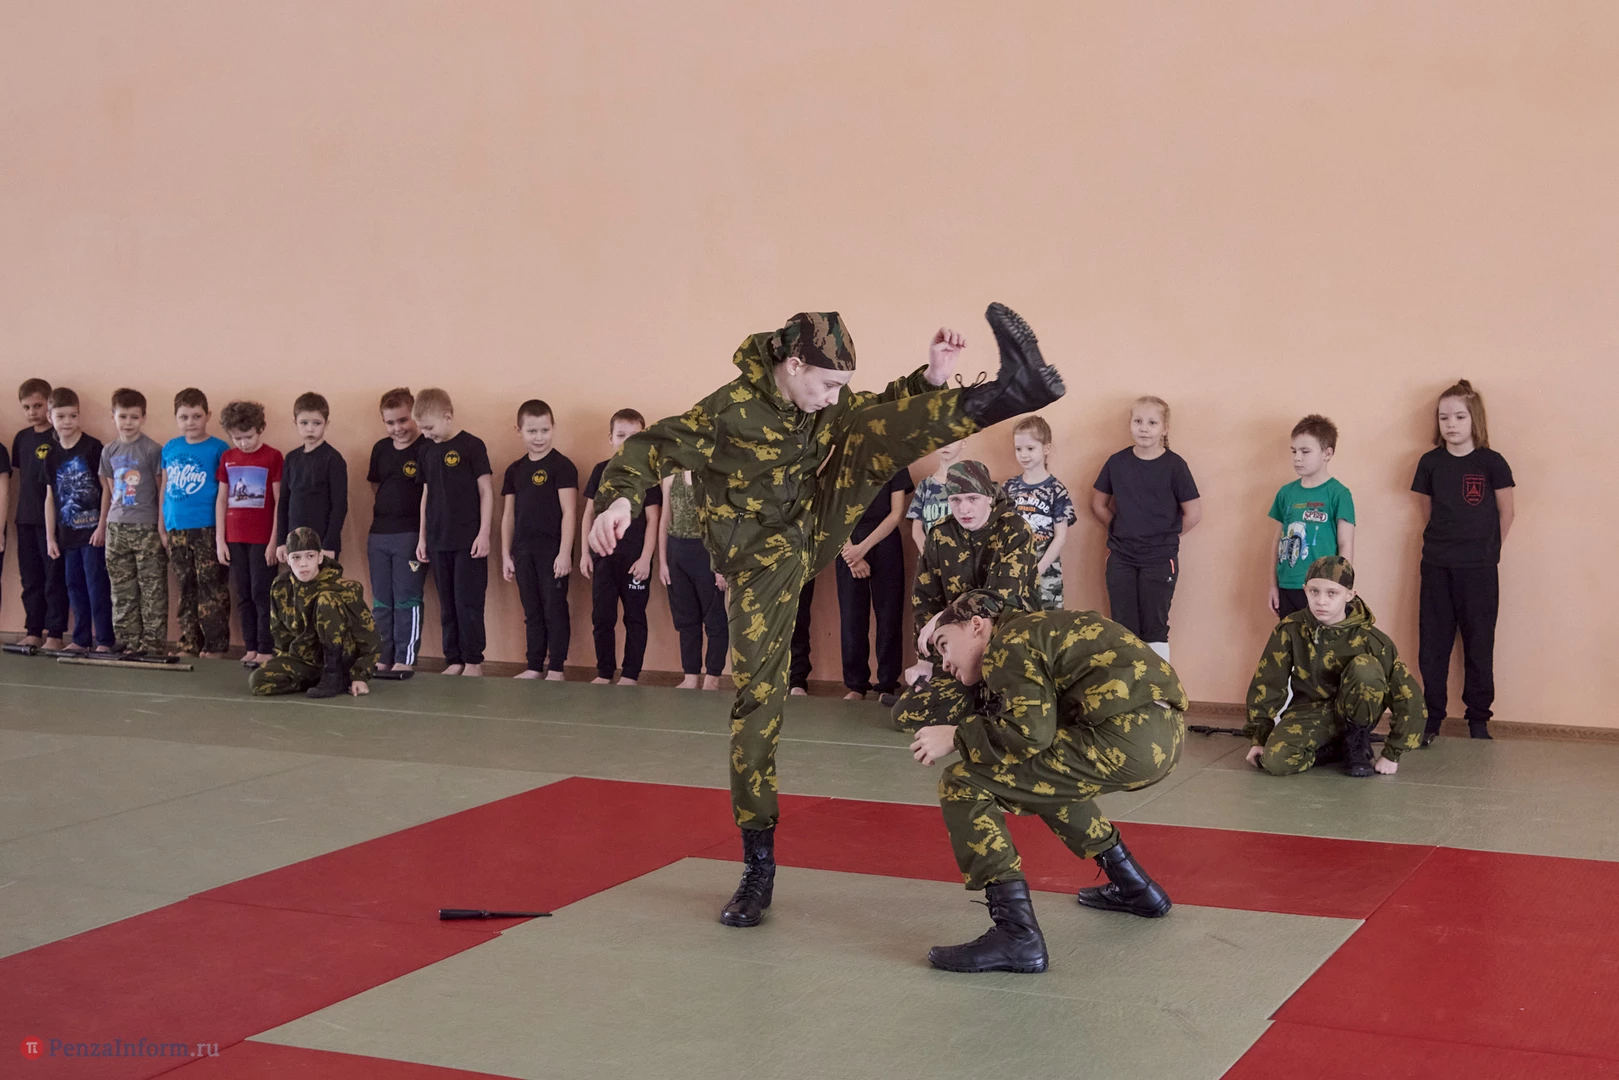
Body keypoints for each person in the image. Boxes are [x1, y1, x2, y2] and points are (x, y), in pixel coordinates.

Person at [588, 303, 1064, 928]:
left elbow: (875, 408)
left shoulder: (822, 401)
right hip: (761, 566)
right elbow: (649, 450)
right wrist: (619, 501)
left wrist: (929, 376)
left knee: (865, 432)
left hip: (816, 522)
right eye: (828, 383)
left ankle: (1012, 391)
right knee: (757, 705)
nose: (834, 395)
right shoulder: (726, 412)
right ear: (793, 364)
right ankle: (758, 864)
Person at [912, 589, 1186, 974]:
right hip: (1160, 734)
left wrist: (957, 736)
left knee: (962, 782)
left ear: (976, 626)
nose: (944, 662)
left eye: (944, 645)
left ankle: (1016, 935)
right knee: (1040, 777)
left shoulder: (1007, 642)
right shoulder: (1033, 629)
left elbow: (1028, 733)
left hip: (1126, 735)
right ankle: (1134, 887)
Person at [890, 460, 1038, 733]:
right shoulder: (940, 534)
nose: (964, 509)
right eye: (955, 500)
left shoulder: (1015, 529)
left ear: (989, 497)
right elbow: (925, 598)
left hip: (1007, 650)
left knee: (1027, 724)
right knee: (906, 714)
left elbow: (1001, 597)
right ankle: (980, 704)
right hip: (959, 654)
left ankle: (988, 705)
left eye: (972, 498)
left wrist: (943, 616)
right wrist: (925, 659)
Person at [1244, 556, 1424, 777]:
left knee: (1366, 668)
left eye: (1332, 593)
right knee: (1275, 762)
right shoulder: (1291, 629)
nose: (1321, 601)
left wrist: (1392, 753)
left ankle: (1356, 745)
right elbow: (1267, 683)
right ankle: (1335, 751)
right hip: (1310, 711)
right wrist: (1259, 738)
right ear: (1305, 590)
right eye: (1314, 591)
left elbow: (1406, 695)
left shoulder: (1372, 640)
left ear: (1350, 595)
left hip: (1355, 715)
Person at [1413, 379, 1514, 743]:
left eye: (1459, 416)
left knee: (1479, 644)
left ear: (1475, 419)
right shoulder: (1430, 463)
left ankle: (1478, 719)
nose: (1451, 424)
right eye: (1444, 418)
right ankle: (1432, 718)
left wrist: (1487, 551)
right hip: (1437, 566)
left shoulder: (1492, 462)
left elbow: (1507, 512)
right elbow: (1427, 512)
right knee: (1433, 645)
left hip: (1479, 570)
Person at [1090, 395, 1201, 661]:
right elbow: (1098, 504)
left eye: (1152, 423)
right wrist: (1122, 527)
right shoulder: (1116, 462)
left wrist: (1164, 534)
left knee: (1155, 627)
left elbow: (1194, 513)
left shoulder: (1175, 466)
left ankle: (1158, 686)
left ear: (1164, 429)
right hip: (1122, 557)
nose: (1144, 428)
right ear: (1130, 425)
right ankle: (1126, 684)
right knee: (1122, 626)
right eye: (1138, 421)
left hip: (1159, 559)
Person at [414, 388, 493, 677]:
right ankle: (454, 659)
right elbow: (426, 495)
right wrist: (422, 537)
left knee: (467, 602)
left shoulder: (472, 446)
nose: (426, 434)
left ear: (447, 417)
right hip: (437, 539)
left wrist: (484, 533)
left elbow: (486, 492)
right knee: (447, 604)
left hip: (468, 541)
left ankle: (473, 661)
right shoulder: (426, 450)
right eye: (422, 429)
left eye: (429, 427)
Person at [580, 410, 662, 686]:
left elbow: (653, 520)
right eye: (621, 435)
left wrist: (646, 558)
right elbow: (588, 514)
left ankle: (630, 674)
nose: (627, 442)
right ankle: (604, 672)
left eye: (635, 436)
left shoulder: (649, 475)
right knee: (602, 617)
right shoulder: (600, 470)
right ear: (611, 438)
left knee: (635, 617)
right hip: (603, 558)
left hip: (634, 562)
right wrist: (585, 552)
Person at [249, 527, 378, 698]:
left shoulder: (345, 588)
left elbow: (370, 637)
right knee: (258, 682)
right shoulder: (281, 587)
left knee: (326, 599)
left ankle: (335, 675)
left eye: (310, 556)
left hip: (341, 660)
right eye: (296, 557)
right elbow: (280, 633)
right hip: (306, 661)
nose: (303, 563)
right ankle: (317, 680)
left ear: (320, 557)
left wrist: (360, 675)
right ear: (287, 559)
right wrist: (283, 661)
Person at [501, 399, 578, 681]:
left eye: (545, 430)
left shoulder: (563, 466)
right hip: (523, 551)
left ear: (553, 427)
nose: (539, 437)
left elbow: (570, 512)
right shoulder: (514, 470)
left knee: (554, 608)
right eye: (532, 431)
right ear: (519, 430)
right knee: (531, 609)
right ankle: (534, 665)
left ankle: (556, 667)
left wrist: (564, 553)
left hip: (553, 551)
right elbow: (508, 515)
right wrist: (506, 554)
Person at [43, 388, 114, 653]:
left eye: (73, 416)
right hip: (68, 535)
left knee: (97, 586)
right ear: (50, 418)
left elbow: (106, 488)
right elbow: (50, 498)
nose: (67, 422)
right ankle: (80, 638)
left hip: (93, 533)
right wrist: (50, 537)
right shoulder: (51, 455)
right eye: (61, 416)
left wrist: (102, 525)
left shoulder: (92, 447)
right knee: (74, 587)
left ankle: (104, 640)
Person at [100, 388, 169, 657]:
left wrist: (161, 527)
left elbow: (161, 489)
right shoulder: (109, 450)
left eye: (134, 417)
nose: (128, 422)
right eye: (123, 416)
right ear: (113, 417)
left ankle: (152, 643)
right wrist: (107, 523)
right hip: (117, 527)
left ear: (143, 418)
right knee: (121, 588)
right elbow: (110, 489)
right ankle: (127, 639)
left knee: (152, 588)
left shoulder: (152, 450)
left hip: (146, 527)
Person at [834, 467, 913, 701]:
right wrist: (851, 552)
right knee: (851, 617)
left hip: (885, 542)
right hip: (846, 545)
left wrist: (863, 549)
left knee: (889, 615)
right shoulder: (840, 465)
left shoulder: (895, 461)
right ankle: (856, 685)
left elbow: (896, 514)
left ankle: (887, 683)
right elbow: (832, 514)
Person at [163, 388, 231, 657]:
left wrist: (221, 534)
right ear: (175, 418)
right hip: (176, 530)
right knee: (186, 587)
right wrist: (162, 526)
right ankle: (189, 643)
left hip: (207, 529)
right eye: (184, 417)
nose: (190, 422)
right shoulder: (170, 448)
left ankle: (216, 645)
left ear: (208, 415)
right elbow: (164, 488)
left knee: (211, 587)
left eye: (196, 416)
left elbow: (225, 491)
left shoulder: (218, 449)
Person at [216, 401, 283, 667]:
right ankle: (250, 646)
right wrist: (220, 540)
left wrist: (274, 541)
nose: (243, 443)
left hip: (262, 539)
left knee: (261, 592)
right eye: (237, 438)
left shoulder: (273, 457)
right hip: (235, 537)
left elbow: (279, 502)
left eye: (248, 437)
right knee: (243, 593)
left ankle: (266, 647)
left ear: (260, 429)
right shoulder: (227, 457)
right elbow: (222, 500)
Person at [1268, 414, 1355, 620]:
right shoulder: (1286, 493)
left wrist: (1341, 588)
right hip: (1288, 586)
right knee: (1291, 639)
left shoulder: (1339, 494)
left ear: (1327, 453)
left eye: (1305, 451)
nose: (1297, 458)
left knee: (1322, 640)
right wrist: (1273, 585)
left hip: (1322, 589)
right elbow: (1277, 541)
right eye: (1294, 451)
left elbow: (1346, 544)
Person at [367, 388, 428, 674]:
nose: (397, 428)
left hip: (410, 535)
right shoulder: (380, 449)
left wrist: (423, 535)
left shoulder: (426, 448)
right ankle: (383, 656)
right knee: (381, 599)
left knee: (406, 598)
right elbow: (376, 486)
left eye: (403, 420)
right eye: (390, 423)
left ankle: (405, 658)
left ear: (415, 416)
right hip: (379, 534)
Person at [659, 469, 728, 691]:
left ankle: (712, 677)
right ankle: (690, 675)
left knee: (715, 619)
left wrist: (720, 565)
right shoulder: (671, 477)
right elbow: (665, 519)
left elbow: (722, 523)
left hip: (707, 553)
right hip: (677, 552)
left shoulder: (715, 474)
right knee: (686, 619)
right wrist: (663, 561)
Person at [13, 378, 67, 650]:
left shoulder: (59, 436)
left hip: (53, 521)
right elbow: (21, 476)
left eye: (37, 405)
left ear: (49, 404)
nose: (32, 412)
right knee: (30, 578)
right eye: (27, 407)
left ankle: (55, 633)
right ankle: (33, 630)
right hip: (25, 518)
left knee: (53, 578)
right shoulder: (22, 438)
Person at [1002, 415, 1074, 610]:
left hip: (1047, 575)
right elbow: (1001, 529)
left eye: (1030, 448)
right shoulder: (1008, 487)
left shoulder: (1056, 490)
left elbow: (1060, 537)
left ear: (1046, 448)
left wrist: (1038, 569)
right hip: (1014, 570)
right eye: (1018, 449)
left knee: (1049, 623)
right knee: (1015, 621)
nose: (1023, 454)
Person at [275, 392, 347, 562]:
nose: (310, 428)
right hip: (294, 540)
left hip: (322, 542)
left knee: (322, 580)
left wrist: (329, 544)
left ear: (326, 424)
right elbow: (283, 502)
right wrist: (281, 541)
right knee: (297, 580)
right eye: (304, 423)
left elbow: (340, 506)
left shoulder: (333, 459)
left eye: (316, 423)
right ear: (295, 423)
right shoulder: (291, 458)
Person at [906, 437, 967, 553]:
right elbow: (917, 531)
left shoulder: (973, 483)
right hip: (932, 558)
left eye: (953, 439)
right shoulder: (925, 486)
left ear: (963, 443)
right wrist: (929, 556)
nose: (946, 444)